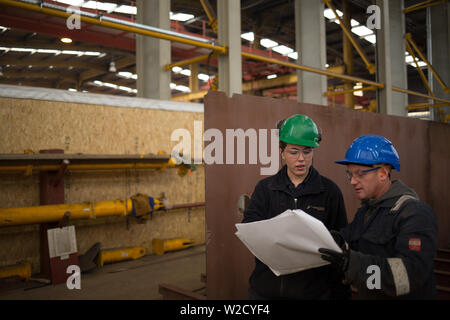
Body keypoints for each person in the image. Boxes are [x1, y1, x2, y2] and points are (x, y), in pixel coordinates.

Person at [243, 114, 351, 299]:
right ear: (282, 152)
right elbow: (251, 229)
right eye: (294, 152)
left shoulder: (329, 192)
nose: (301, 159)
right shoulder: (265, 189)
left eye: (307, 151)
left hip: (313, 292)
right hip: (266, 291)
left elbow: (342, 239)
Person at [319, 134, 438, 299]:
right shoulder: (367, 212)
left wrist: (352, 264)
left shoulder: (415, 214)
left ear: (383, 173)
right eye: (350, 174)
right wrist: (328, 239)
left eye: (360, 174)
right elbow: (348, 239)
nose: (353, 181)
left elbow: (408, 276)